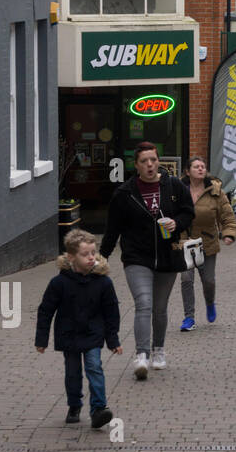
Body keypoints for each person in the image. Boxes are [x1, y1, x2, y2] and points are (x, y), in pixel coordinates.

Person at [100, 141, 194, 379]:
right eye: (144, 161)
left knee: (160, 309)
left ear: (158, 161)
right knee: (143, 303)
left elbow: (188, 212)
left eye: (153, 160)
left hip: (167, 255)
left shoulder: (173, 186)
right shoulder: (125, 194)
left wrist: (177, 223)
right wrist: (102, 256)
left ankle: (158, 350)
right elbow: (113, 228)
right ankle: (141, 355)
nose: (150, 165)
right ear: (137, 165)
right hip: (136, 256)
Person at [36, 229, 121, 429]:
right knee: (72, 373)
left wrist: (113, 340)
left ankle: (98, 409)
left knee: (94, 367)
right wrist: (41, 339)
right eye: (85, 254)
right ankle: (74, 404)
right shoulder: (59, 283)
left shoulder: (103, 282)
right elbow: (46, 310)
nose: (91, 258)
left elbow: (111, 312)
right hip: (69, 334)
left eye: (94, 252)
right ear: (71, 257)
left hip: (93, 333)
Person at [178, 156, 236, 331]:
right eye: (196, 167)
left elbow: (227, 216)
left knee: (209, 281)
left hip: (207, 243)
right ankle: (188, 318)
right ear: (187, 171)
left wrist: (229, 234)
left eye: (203, 166)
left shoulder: (215, 191)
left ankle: (210, 303)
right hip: (185, 243)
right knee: (186, 279)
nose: (200, 169)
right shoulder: (179, 191)